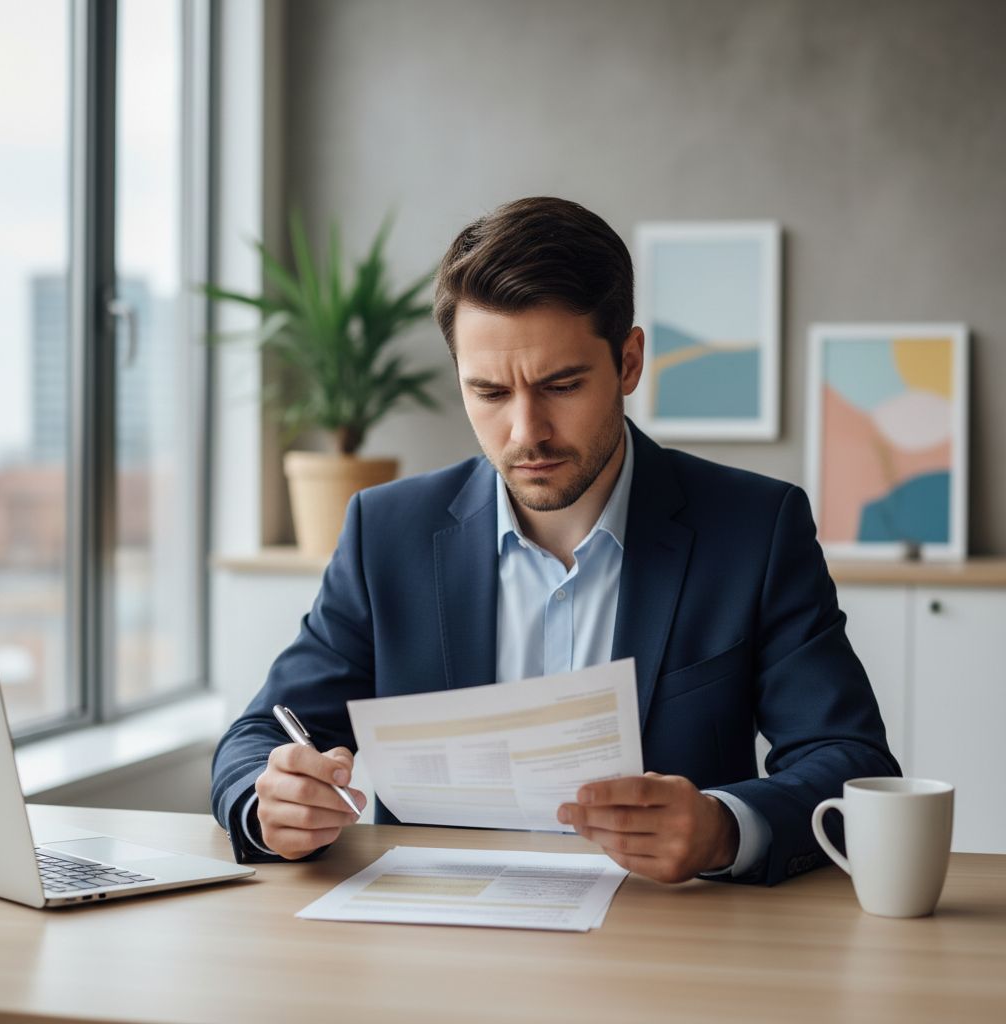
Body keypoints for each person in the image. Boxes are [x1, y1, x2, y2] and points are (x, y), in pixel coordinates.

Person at [211, 196, 899, 886]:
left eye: (562, 385)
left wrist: (724, 827)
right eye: (489, 393)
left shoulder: (755, 529)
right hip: (439, 931)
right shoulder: (386, 532)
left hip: (668, 928)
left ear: (629, 362)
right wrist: (271, 801)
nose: (526, 433)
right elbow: (257, 738)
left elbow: (852, 762)